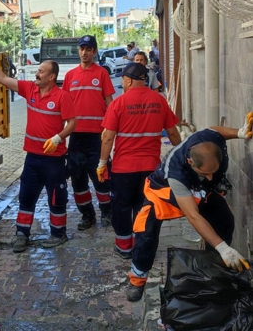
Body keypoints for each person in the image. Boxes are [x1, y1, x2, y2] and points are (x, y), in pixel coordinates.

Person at [125, 112, 253, 302]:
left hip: (200, 190)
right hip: (162, 193)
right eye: (205, 173)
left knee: (224, 219)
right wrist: (224, 247)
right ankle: (137, 279)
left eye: (213, 172)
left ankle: (212, 269)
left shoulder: (209, 140)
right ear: (191, 163)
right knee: (146, 234)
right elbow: (193, 216)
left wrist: (240, 133)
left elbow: (215, 130)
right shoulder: (175, 172)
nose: (211, 177)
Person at [0, 51, 76, 251]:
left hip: (54, 159)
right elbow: (2, 78)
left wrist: (58, 138)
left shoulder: (62, 97)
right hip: (33, 158)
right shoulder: (30, 90)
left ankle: (58, 233)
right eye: (37, 70)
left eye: (41, 72)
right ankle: (22, 234)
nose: (37, 74)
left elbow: (72, 123)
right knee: (26, 196)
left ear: (52, 77)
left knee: (56, 197)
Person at [96, 63, 181, 260]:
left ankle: (124, 247)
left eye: (123, 80)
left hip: (123, 168)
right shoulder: (159, 101)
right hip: (151, 169)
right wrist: (179, 158)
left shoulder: (119, 103)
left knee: (122, 207)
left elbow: (108, 138)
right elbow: (173, 133)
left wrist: (102, 163)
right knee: (146, 208)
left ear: (128, 80)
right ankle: (143, 247)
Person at [62, 35, 115, 230]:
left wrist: (111, 130)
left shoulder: (101, 74)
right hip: (76, 137)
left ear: (94, 51)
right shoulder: (70, 76)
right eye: (82, 48)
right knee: (78, 181)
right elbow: (64, 104)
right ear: (79, 51)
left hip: (97, 138)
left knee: (101, 178)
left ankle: (107, 212)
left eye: (88, 49)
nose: (84, 52)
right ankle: (87, 215)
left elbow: (110, 104)